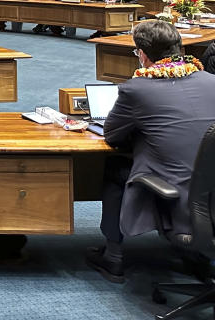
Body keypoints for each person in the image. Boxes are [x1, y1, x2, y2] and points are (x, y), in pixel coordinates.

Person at [86, 20, 215, 284]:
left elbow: (112, 135)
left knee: (115, 168)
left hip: (180, 201)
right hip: (211, 195)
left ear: (143, 55)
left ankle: (113, 256)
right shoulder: (211, 81)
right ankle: (199, 258)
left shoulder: (137, 88)